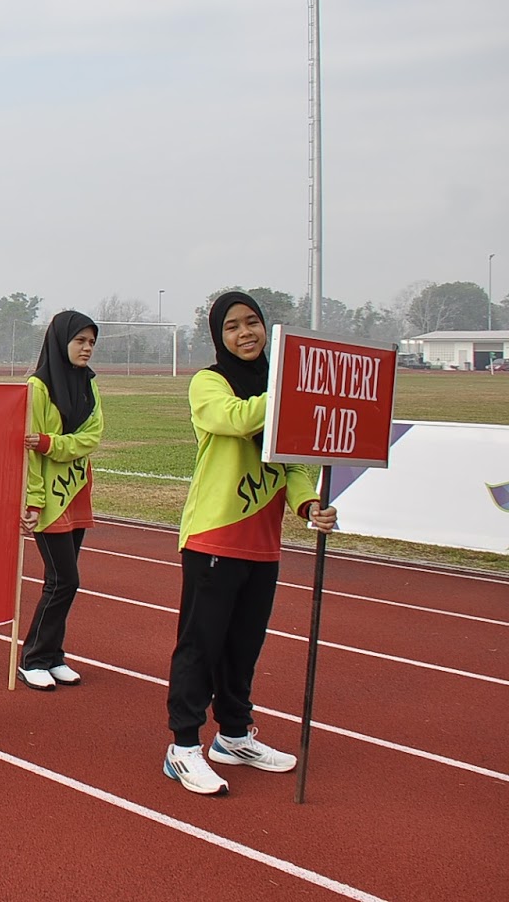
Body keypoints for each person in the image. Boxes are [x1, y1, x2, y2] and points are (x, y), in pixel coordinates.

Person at [162, 291, 337, 796]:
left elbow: (294, 463)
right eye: (233, 326)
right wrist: (292, 392)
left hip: (264, 543)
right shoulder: (209, 383)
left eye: (253, 323)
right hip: (215, 535)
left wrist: (308, 506)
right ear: (219, 336)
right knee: (201, 645)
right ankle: (184, 746)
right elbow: (234, 419)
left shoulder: (278, 386)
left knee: (243, 647)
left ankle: (234, 735)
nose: (245, 333)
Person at [17, 311, 103, 691]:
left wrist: (55, 444)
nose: (86, 349)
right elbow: (29, 451)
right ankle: (33, 657)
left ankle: (53, 655)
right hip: (49, 499)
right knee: (64, 580)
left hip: (77, 492)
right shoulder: (37, 388)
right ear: (60, 342)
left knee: (63, 581)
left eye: (91, 343)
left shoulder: (90, 384)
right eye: (80, 341)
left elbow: (93, 437)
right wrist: (32, 501)